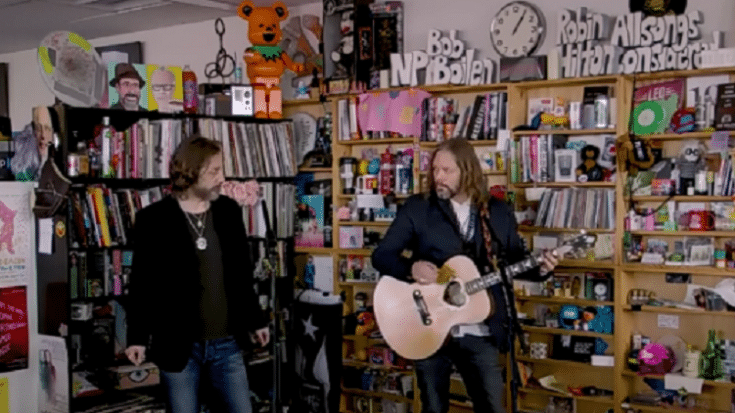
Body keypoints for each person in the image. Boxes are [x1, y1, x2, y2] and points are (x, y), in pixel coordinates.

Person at [372, 138, 558, 413]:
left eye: (447, 171)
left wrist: (542, 268)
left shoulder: (496, 211)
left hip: (481, 328)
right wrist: (411, 268)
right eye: (435, 170)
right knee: (434, 409)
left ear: (467, 171)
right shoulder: (418, 208)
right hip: (429, 327)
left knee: (492, 407)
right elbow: (382, 256)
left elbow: (515, 261)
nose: (438, 177)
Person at [125, 136, 269, 413]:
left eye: (221, 169)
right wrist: (137, 337)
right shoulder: (153, 219)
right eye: (214, 171)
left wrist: (256, 321)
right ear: (191, 171)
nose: (222, 177)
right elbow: (142, 284)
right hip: (179, 346)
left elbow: (241, 275)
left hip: (227, 343)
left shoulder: (228, 211)